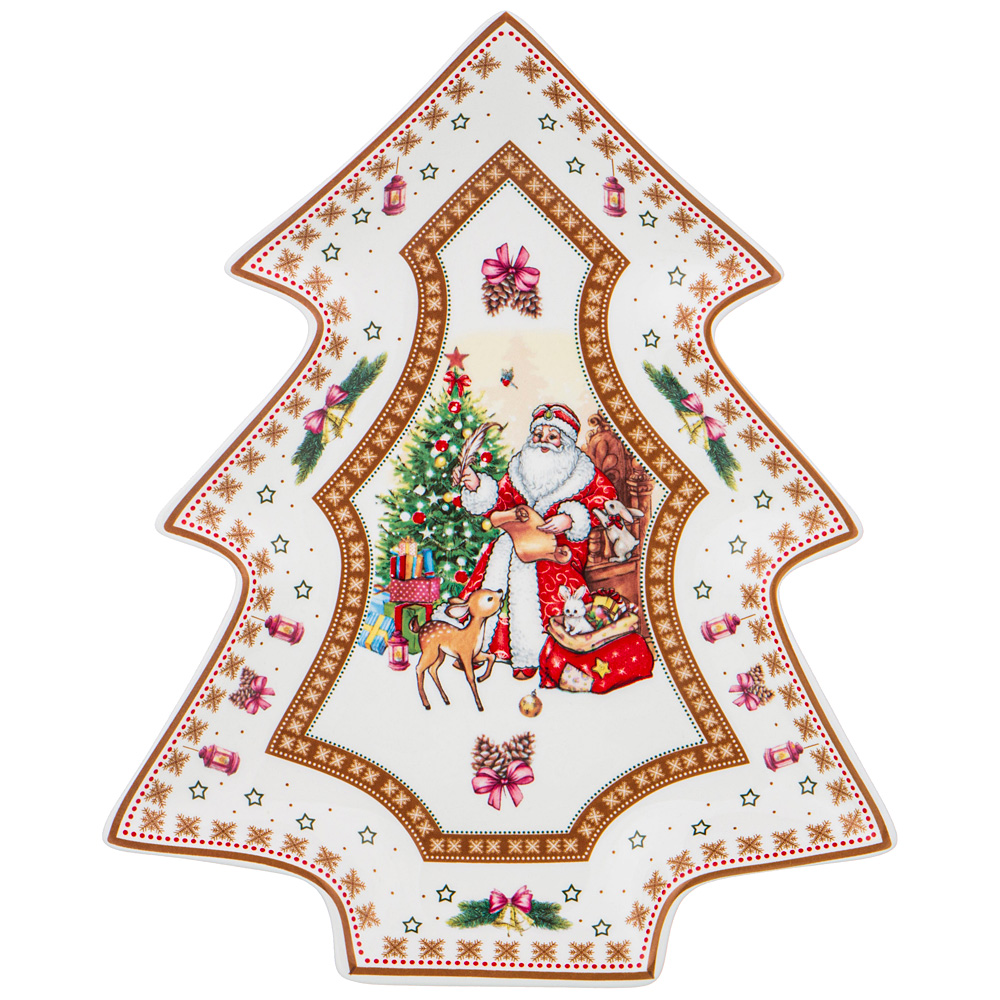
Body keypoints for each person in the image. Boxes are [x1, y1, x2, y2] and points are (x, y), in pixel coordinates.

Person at [459, 403, 618, 675]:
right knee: (494, 564)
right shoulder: (519, 468)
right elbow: (501, 501)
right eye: (538, 434)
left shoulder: (583, 472)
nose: (543, 441)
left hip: (561, 546)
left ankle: (530, 654)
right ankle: (477, 645)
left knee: (539, 576)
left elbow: (607, 502)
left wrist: (571, 518)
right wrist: (478, 486)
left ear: (565, 440)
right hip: (516, 541)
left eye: (552, 436)